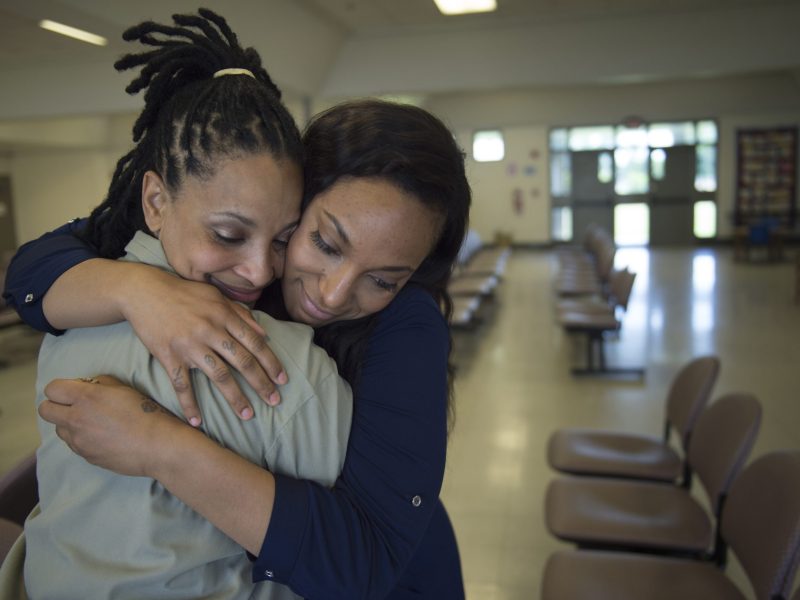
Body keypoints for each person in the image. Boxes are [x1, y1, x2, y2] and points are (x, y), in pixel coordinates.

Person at [3, 16, 472, 600]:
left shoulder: (407, 327)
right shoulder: (244, 240)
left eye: (382, 278)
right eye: (323, 243)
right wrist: (134, 289)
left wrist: (159, 447)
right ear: (298, 193)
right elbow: (32, 268)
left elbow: (366, 561)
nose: (331, 294)